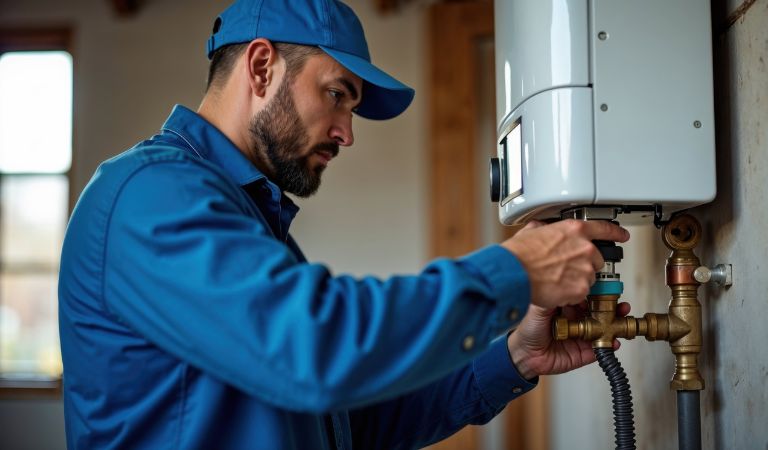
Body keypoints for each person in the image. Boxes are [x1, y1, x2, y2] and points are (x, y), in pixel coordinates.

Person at [58, 0, 630, 448]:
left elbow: (341, 426)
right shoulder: (149, 194)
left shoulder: (249, 218)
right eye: (337, 95)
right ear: (261, 67)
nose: (346, 133)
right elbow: (315, 349)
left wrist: (510, 357)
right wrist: (514, 271)